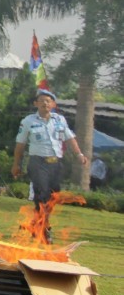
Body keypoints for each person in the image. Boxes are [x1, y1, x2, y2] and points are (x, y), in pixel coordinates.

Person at [11, 89, 87, 244]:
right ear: (35, 104)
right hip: (38, 163)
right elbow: (20, 145)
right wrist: (16, 165)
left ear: (53, 104)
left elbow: (70, 138)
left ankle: (36, 225)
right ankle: (44, 229)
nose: (45, 103)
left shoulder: (60, 120)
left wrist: (79, 154)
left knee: (53, 197)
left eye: (48, 101)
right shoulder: (28, 121)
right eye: (42, 100)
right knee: (41, 195)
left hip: (56, 164)